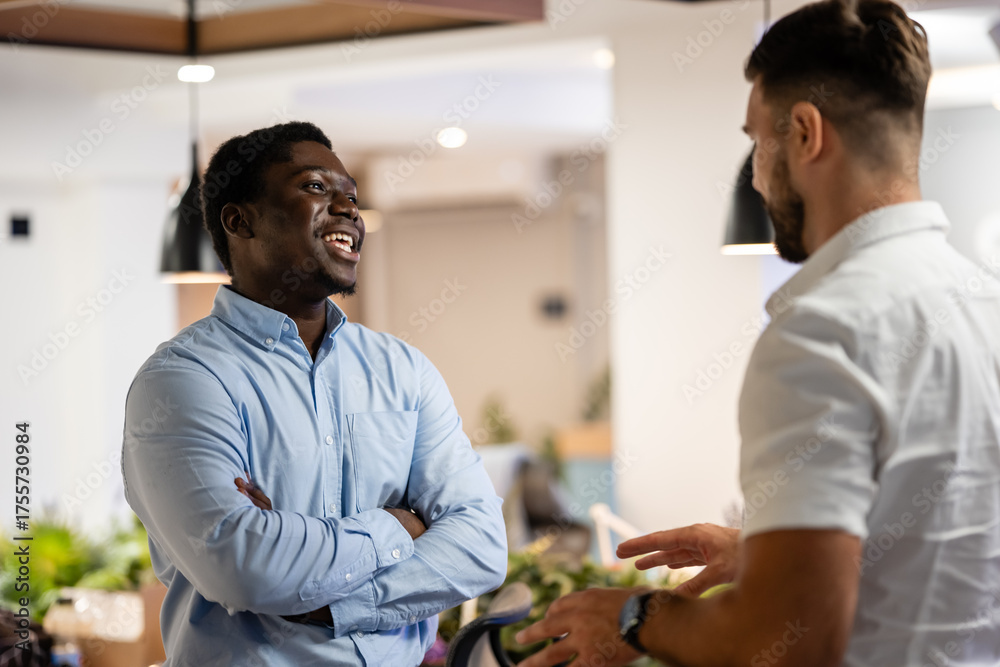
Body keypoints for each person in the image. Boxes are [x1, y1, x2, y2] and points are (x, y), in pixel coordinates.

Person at [515, 1, 1000, 665]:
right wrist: (772, 556)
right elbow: (950, 540)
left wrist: (634, 616)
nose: (755, 176)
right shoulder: (985, 301)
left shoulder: (822, 331)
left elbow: (787, 639)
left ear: (804, 133)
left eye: (756, 141)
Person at [121, 121, 508, 666]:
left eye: (352, 194)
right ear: (240, 220)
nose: (348, 208)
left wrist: (330, 601)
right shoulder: (183, 380)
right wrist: (397, 525)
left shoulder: (403, 370)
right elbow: (244, 567)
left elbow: (481, 547)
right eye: (316, 187)